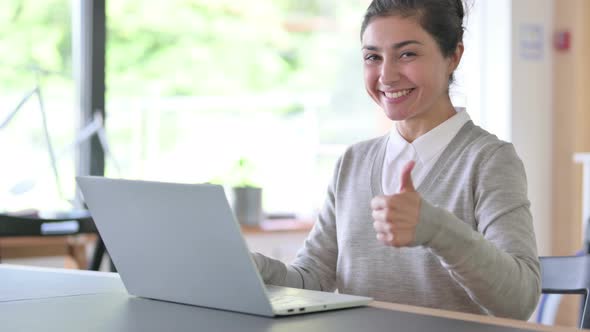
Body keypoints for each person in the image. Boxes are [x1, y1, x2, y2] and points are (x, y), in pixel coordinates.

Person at [252, 0, 540, 320]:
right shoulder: (353, 161)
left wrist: (438, 230)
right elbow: (312, 279)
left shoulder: (488, 160)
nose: (386, 76)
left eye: (407, 54)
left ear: (453, 57)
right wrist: (255, 268)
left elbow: (520, 301)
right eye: (373, 57)